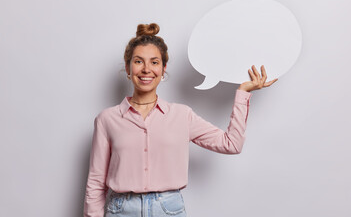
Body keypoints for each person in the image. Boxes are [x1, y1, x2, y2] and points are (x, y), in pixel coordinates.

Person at [83, 23, 278, 217]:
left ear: (163, 68)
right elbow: (96, 181)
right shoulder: (107, 120)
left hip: (168, 210)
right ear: (128, 67)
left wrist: (243, 94)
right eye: (138, 61)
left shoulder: (182, 115)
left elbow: (231, 144)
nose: (146, 69)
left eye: (154, 62)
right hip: (121, 210)